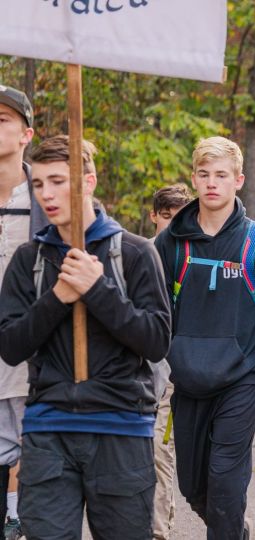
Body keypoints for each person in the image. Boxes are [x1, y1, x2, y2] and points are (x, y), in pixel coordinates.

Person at [0, 135, 171, 538]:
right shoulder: (31, 260)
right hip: (47, 429)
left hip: (122, 428)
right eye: (39, 184)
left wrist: (98, 290)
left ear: (88, 182)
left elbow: (156, 341)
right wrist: (58, 298)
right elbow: (11, 346)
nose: (47, 194)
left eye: (58, 181)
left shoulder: (134, 253)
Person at [155, 136, 255, 539]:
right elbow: (155, 313)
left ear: (238, 180)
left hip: (242, 378)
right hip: (187, 380)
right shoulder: (172, 243)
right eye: (204, 174)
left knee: (226, 485)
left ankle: (227, 528)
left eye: (221, 175)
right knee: (193, 487)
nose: (212, 183)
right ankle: (233, 529)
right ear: (194, 180)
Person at [0, 85, 45, 540]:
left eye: (1, 120)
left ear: (26, 133)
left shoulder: (45, 200)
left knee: (34, 464)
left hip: (30, 361)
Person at [147, 184, 193, 540]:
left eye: (179, 218)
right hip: (143, 371)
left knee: (175, 455)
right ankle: (157, 528)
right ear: (154, 216)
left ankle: (226, 522)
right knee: (150, 453)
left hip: (184, 373)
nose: (172, 225)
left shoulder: (194, 256)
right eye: (166, 217)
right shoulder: (137, 254)